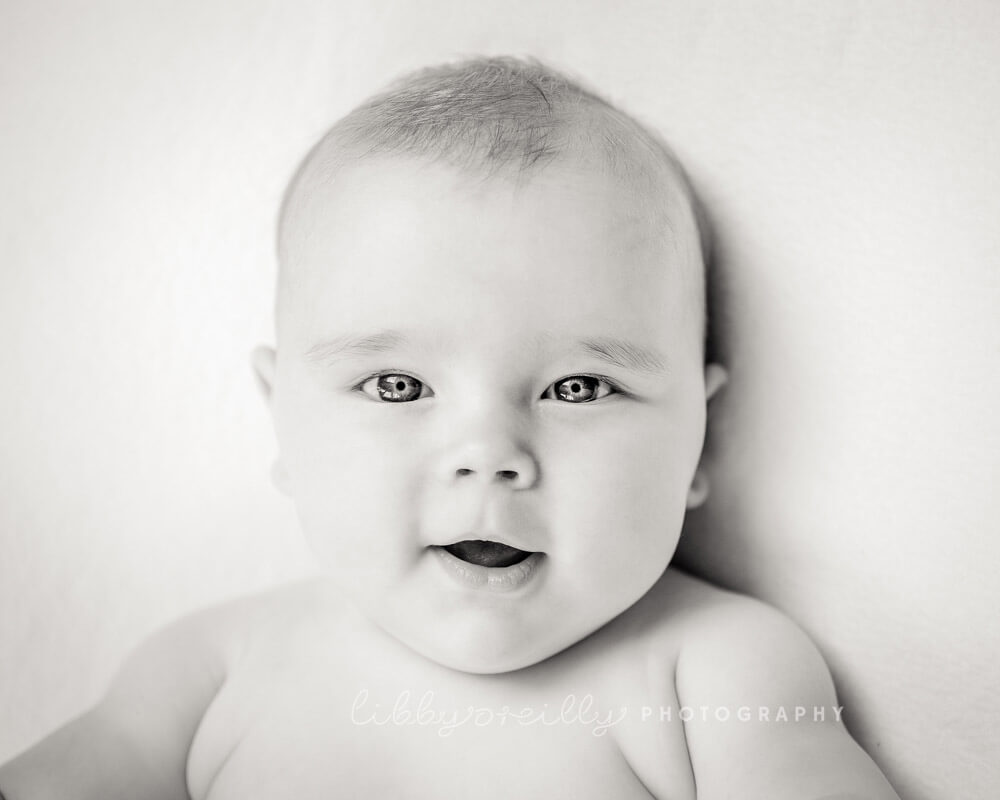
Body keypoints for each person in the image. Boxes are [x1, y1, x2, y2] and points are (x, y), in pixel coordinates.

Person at [0, 56, 900, 799]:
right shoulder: (206, 671)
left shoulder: (717, 673)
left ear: (699, 436)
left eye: (580, 387)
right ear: (280, 418)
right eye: (396, 385)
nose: (489, 457)